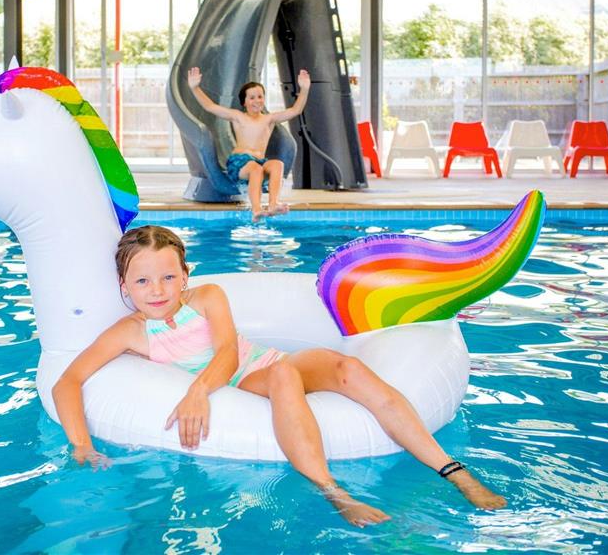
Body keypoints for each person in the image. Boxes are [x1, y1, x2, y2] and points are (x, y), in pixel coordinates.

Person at [53, 226, 507, 527]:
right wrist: (80, 443)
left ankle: (455, 472)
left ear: (185, 275)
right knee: (285, 379)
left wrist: (197, 390)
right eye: (143, 282)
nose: (158, 291)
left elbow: (230, 351)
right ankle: (335, 493)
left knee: (346, 366)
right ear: (123, 287)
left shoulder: (206, 296)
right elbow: (67, 382)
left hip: (253, 362)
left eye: (169, 277)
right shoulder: (129, 332)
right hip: (246, 385)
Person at [187, 67, 310, 221]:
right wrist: (195, 88)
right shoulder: (238, 116)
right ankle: (256, 209)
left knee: (277, 164)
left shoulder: (269, 119)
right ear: (244, 102)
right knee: (256, 169)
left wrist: (304, 89)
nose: (256, 101)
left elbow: (296, 110)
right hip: (239, 162)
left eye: (260, 96)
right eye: (251, 98)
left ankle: (273, 204)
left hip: (259, 162)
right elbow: (210, 107)